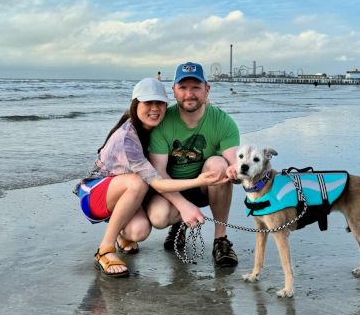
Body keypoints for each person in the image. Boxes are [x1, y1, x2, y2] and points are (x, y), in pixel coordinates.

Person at [74, 78, 227, 278]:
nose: (155, 108)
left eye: (160, 103)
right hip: (96, 195)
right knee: (137, 183)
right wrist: (201, 181)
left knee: (139, 231)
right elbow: (157, 183)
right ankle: (105, 249)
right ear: (135, 105)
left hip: (130, 195)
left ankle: (122, 234)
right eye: (148, 103)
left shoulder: (155, 128)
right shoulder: (127, 139)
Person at [147, 62, 240, 267]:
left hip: (205, 186)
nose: (189, 94)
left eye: (196, 87)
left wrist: (237, 172)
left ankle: (220, 240)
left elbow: (234, 160)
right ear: (173, 90)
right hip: (172, 187)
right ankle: (179, 224)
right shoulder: (162, 122)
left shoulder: (222, 121)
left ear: (207, 89)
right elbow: (159, 173)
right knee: (159, 218)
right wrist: (183, 205)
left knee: (219, 164)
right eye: (183, 87)